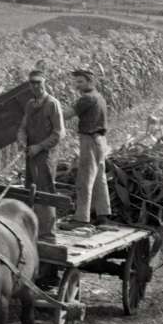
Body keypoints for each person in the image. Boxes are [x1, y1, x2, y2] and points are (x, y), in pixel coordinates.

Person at [60, 68, 112, 229]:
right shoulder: (99, 97)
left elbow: (66, 115)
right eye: (76, 82)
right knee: (99, 179)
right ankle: (103, 215)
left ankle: (81, 219)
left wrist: (46, 113)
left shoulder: (87, 99)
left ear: (91, 82)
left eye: (81, 81)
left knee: (85, 178)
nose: (77, 85)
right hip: (100, 140)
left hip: (89, 139)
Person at [17, 69, 64, 243]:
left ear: (45, 83)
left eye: (38, 82)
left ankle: (48, 235)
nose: (35, 86)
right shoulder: (30, 104)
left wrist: (39, 146)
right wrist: (22, 140)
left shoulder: (52, 104)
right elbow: (22, 127)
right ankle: (32, 230)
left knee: (46, 192)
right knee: (30, 190)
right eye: (32, 82)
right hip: (31, 154)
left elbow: (59, 133)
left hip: (46, 155)